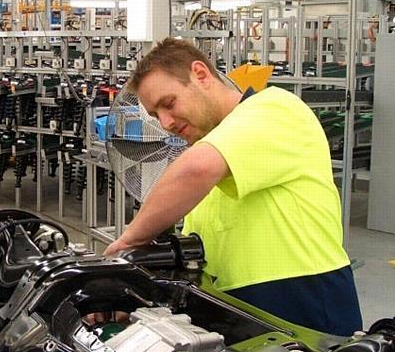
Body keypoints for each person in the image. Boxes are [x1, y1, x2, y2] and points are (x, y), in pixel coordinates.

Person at [104, 38, 362, 336]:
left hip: (303, 303)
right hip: (235, 311)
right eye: (155, 116)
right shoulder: (209, 160)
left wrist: (126, 244)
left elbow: (197, 169)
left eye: (169, 104)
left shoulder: (275, 109)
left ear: (201, 75)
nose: (165, 123)